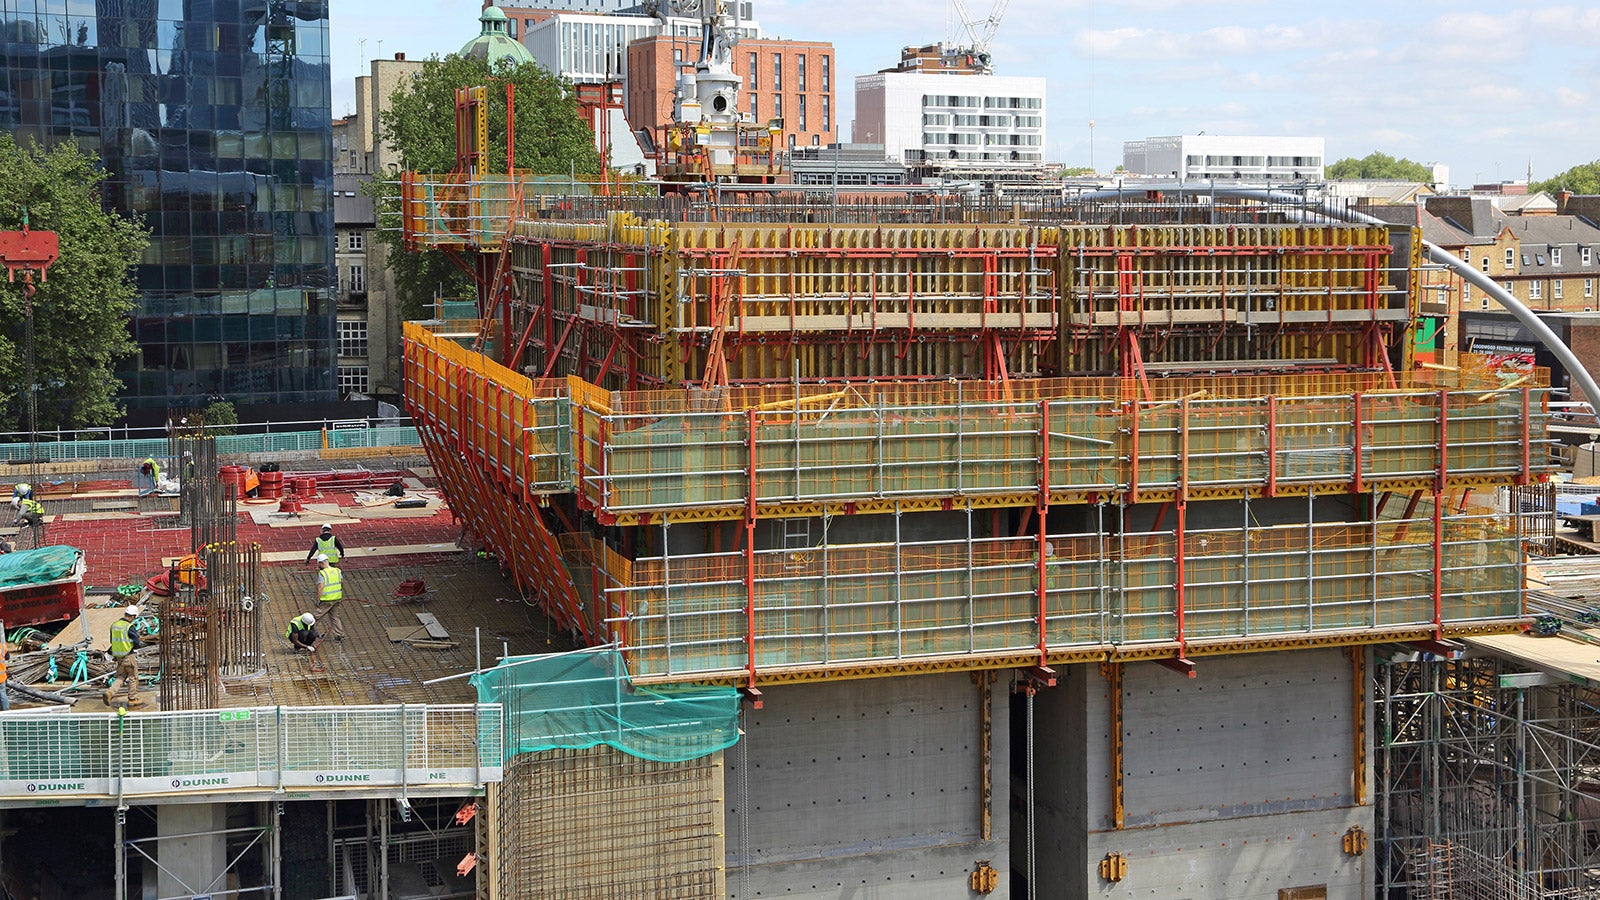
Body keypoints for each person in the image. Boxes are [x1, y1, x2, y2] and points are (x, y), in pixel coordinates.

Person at [106, 606, 145, 708]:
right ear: (132, 616)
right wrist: (135, 646)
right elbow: (136, 640)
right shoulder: (129, 626)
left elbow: (112, 640)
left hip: (118, 656)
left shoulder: (114, 625)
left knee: (121, 676)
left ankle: (110, 692)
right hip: (128, 655)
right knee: (133, 676)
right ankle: (132, 698)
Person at [313, 555, 345, 640]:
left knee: (316, 616)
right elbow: (342, 582)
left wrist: (318, 599)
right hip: (337, 598)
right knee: (335, 617)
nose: (318, 566)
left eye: (318, 564)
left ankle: (313, 633)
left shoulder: (322, 573)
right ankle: (340, 634)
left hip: (326, 600)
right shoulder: (337, 571)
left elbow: (321, 586)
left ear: (321, 563)